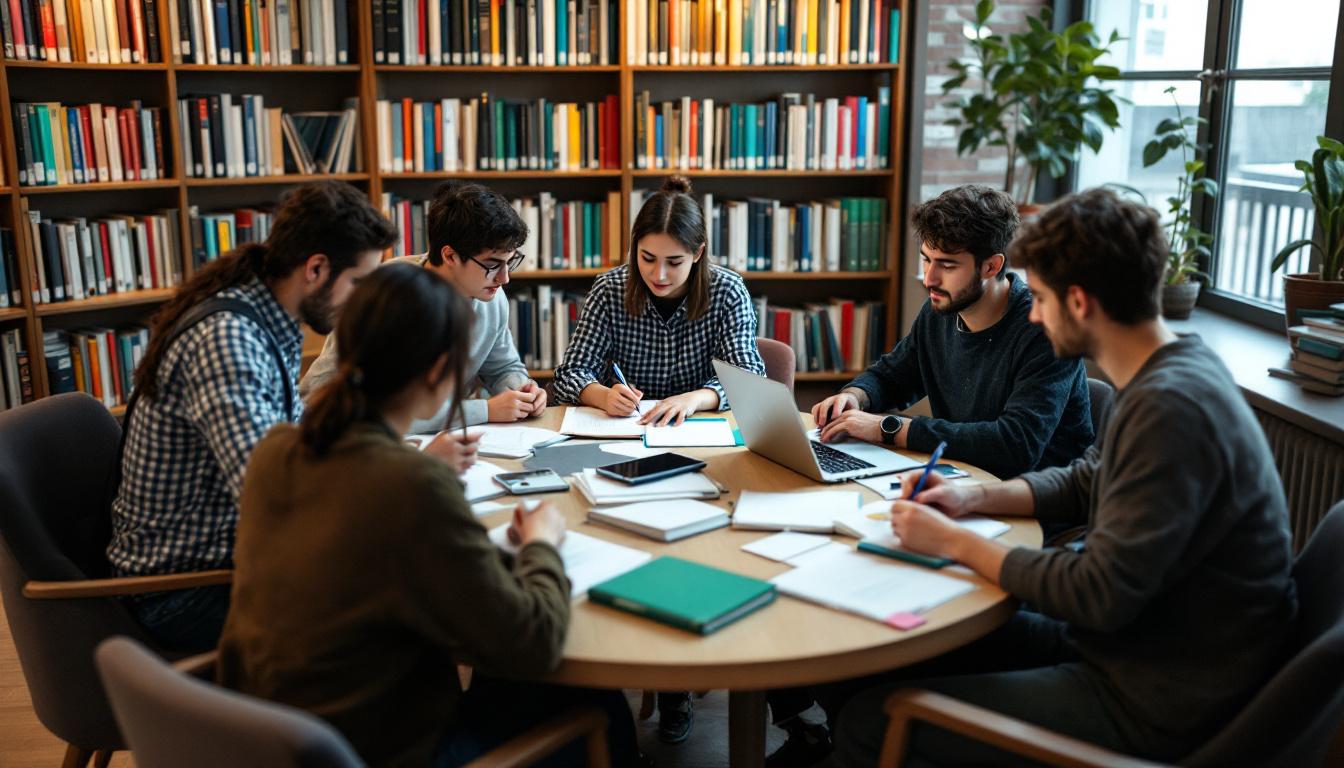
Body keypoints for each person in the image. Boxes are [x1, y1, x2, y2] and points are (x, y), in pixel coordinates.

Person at [832, 188, 1298, 767]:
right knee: (880, 650)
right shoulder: (1174, 370)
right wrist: (971, 495)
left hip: (1151, 694)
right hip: (1127, 645)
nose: (1031, 311)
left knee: (866, 719)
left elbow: (1096, 593)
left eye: (1043, 298)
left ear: (1079, 302)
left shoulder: (1172, 410)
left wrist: (954, 541)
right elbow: (1087, 479)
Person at [216, 263, 641, 768]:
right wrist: (542, 544)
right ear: (441, 371)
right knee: (598, 702)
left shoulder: (279, 450)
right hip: (382, 748)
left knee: (494, 658)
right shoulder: (412, 486)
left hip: (267, 731)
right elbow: (536, 642)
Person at [108, 182, 397, 653]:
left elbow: (290, 446)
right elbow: (274, 494)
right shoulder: (230, 339)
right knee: (391, 606)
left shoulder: (265, 314)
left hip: (228, 557)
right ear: (316, 268)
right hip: (186, 590)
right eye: (359, 284)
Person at [809, 184, 1094, 481]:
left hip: (1036, 501)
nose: (930, 279)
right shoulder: (940, 310)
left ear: (991, 266)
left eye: (947, 265)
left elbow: (1015, 445)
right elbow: (893, 376)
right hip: (965, 481)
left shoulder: (1045, 329)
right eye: (926, 259)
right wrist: (855, 397)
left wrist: (888, 428)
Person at [301, 181, 548, 470]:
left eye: (510, 262)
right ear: (450, 256)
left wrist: (521, 392)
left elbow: (503, 367)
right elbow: (319, 397)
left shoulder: (491, 298)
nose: (504, 278)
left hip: (452, 450)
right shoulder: (387, 293)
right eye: (493, 264)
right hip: (369, 457)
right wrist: (483, 410)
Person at [552, 175, 766, 430]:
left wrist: (694, 399)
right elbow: (570, 373)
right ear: (635, 248)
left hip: (698, 431)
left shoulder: (728, 290)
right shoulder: (609, 289)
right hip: (626, 429)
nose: (659, 274)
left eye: (674, 262)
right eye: (648, 258)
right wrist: (603, 395)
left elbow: (749, 379)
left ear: (697, 253)